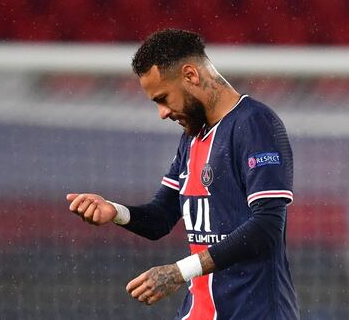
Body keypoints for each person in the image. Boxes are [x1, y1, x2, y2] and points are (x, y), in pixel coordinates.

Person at [66, 29, 299, 319]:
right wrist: (115, 211)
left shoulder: (255, 124)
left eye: (163, 98)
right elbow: (161, 218)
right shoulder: (192, 137)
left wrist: (179, 271)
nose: (162, 113)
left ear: (190, 75)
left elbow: (267, 226)